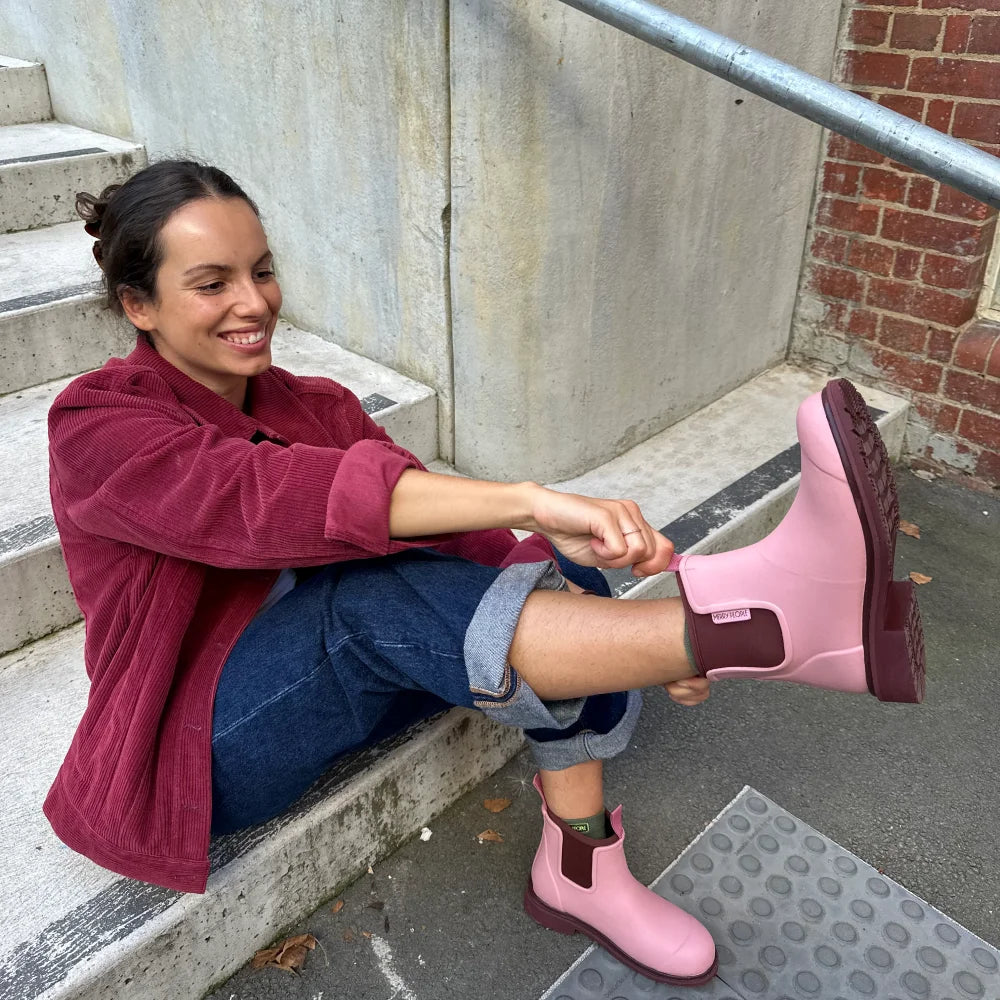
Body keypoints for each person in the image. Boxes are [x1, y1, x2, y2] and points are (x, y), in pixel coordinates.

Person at [44, 159, 924, 987]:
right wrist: (531, 499)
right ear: (140, 307)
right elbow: (256, 497)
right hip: (198, 742)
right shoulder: (97, 423)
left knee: (537, 570)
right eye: (212, 284)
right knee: (371, 600)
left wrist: (558, 551)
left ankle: (583, 863)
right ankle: (759, 623)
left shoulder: (318, 406)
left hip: (353, 678)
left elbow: (452, 541)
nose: (253, 302)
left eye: (262, 270)